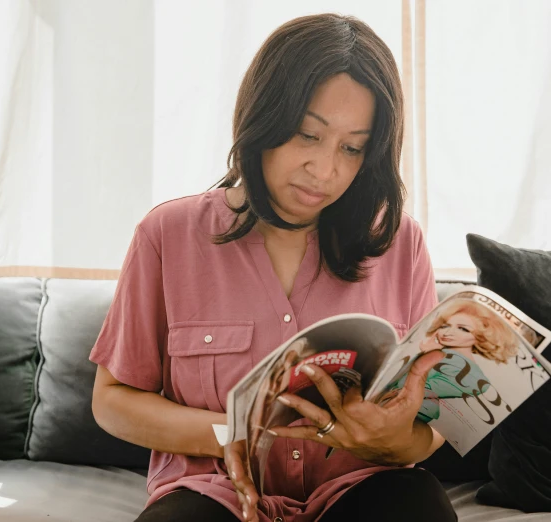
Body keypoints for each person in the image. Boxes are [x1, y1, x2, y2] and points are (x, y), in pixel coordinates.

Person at [89, 13, 456, 522]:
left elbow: (432, 421)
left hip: (363, 488)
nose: (325, 170)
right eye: (308, 135)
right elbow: (112, 401)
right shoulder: (167, 235)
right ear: (263, 119)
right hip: (214, 492)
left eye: (352, 148)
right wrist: (230, 434)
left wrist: (398, 441)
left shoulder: (399, 242)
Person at [416, 300, 519, 422]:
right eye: (445, 326)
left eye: (463, 329)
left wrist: (427, 357)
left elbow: (412, 390)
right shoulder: (443, 355)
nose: (448, 333)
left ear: (482, 335)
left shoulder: (470, 376)